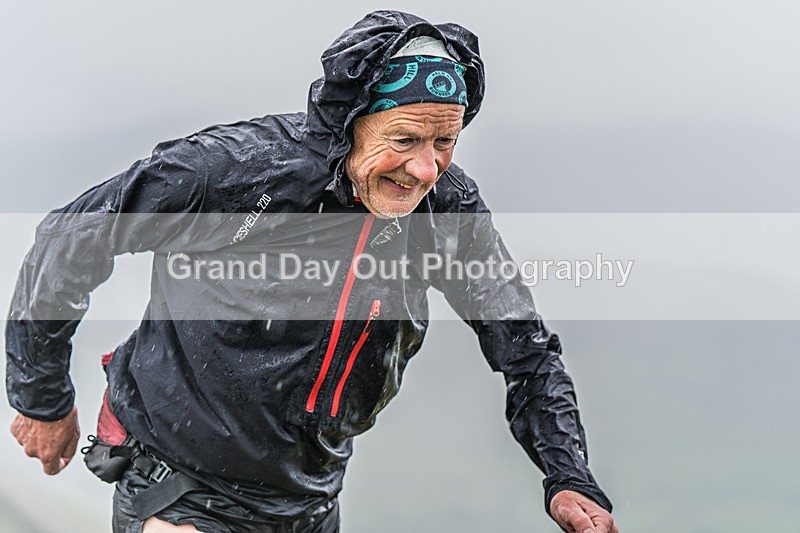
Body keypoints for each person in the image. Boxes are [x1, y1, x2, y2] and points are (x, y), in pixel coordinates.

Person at [6, 10, 617, 533]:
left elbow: (526, 351)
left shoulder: (446, 210)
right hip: (178, 483)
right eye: (404, 139)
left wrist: (568, 474)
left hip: (309, 504)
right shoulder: (233, 173)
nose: (426, 169)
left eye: (445, 143)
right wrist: (42, 399)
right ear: (349, 121)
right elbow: (72, 238)